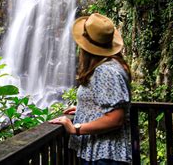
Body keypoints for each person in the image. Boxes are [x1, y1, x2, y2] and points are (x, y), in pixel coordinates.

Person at [50, 13, 132, 164]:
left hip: (104, 154)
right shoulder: (111, 66)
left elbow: (116, 118)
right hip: (99, 153)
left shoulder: (106, 71)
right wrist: (85, 108)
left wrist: (76, 128)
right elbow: (108, 104)